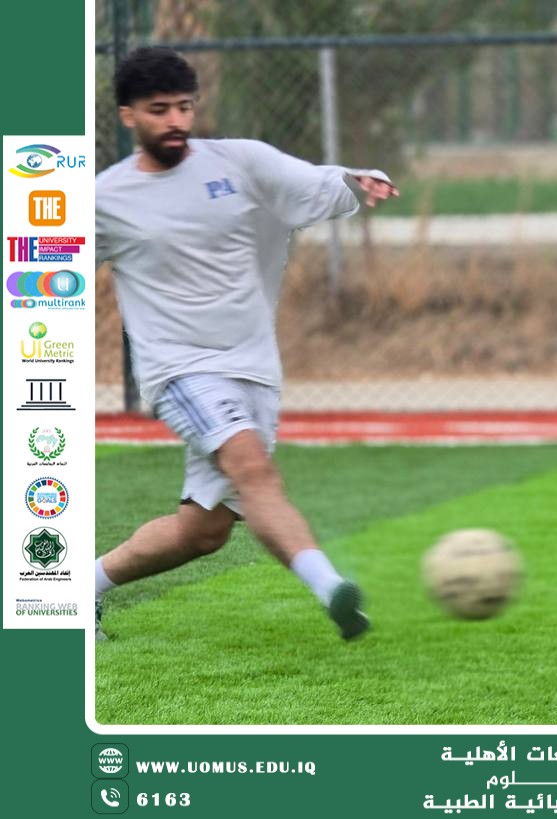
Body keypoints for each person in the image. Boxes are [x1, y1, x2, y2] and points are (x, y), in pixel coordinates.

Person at [94, 47, 399, 641]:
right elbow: (40, 264)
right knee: (251, 467)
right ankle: (333, 590)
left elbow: (312, 181)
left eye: (185, 107)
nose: (176, 121)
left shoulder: (239, 162)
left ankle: (76, 588)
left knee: (202, 531)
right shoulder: (104, 199)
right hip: (180, 369)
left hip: (254, 366)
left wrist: (353, 179)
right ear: (128, 115)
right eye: (159, 110)